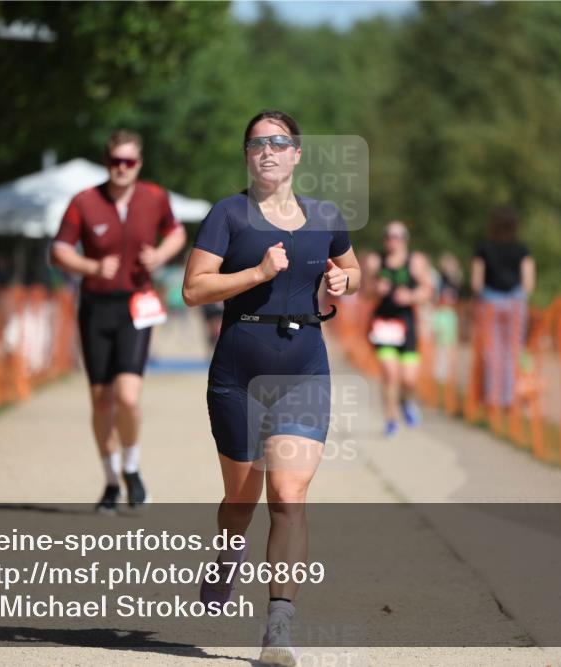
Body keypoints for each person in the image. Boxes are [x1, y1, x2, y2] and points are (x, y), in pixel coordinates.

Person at [182, 110, 360, 666]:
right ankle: (228, 556)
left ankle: (277, 628)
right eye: (257, 143)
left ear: (297, 154)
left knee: (288, 495)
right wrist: (258, 274)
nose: (268, 151)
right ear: (247, 155)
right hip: (238, 373)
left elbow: (354, 270)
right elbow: (193, 290)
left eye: (279, 143)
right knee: (242, 500)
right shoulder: (227, 214)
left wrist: (343, 280)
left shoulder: (326, 215)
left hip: (304, 365)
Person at [50, 130, 187, 513]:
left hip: (136, 305)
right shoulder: (85, 202)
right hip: (95, 306)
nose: (121, 169)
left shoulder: (154, 197)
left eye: (128, 162)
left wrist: (160, 256)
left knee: (127, 396)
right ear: (106, 162)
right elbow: (59, 250)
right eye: (114, 162)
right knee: (101, 399)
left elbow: (177, 233)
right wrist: (91, 265)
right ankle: (110, 480)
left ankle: (132, 467)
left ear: (139, 164)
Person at [361, 222, 434, 437]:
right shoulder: (375, 262)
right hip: (383, 323)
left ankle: (406, 402)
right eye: (389, 236)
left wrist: (411, 296)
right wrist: (376, 288)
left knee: (409, 379)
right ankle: (391, 419)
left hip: (407, 324)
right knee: (390, 373)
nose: (393, 240)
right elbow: (364, 292)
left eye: (398, 236)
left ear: (405, 239)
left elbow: (428, 289)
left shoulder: (416, 262)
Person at [470, 207, 535, 432]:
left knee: (492, 352)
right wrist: (519, 297)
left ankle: (492, 399)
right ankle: (509, 400)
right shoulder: (521, 249)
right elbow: (528, 281)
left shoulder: (484, 248)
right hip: (515, 302)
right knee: (512, 352)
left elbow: (477, 281)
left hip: (490, 302)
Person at [431, 252, 462, 395]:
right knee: (439, 347)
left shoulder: (453, 281)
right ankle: (439, 375)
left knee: (449, 346)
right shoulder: (440, 280)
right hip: (441, 315)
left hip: (449, 315)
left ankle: (446, 375)